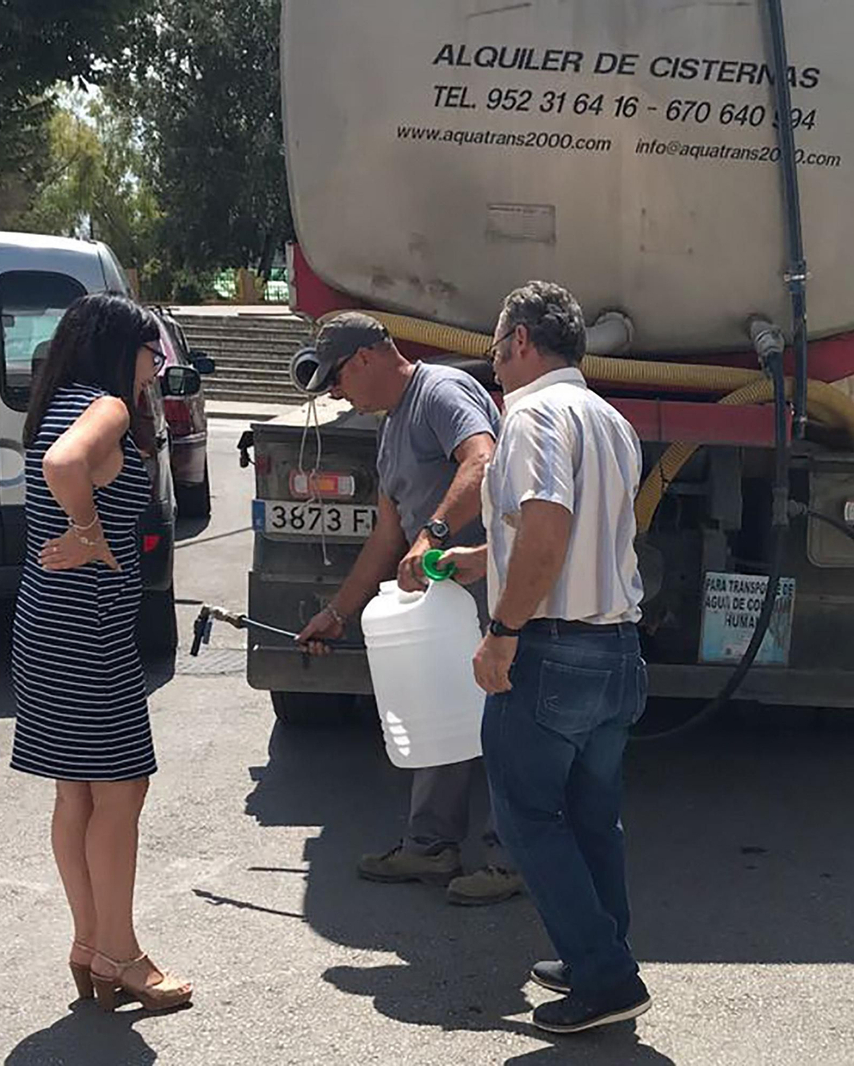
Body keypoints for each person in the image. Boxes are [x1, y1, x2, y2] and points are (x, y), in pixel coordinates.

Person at [440, 281, 650, 1035]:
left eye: (496, 349)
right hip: (616, 650)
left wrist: (502, 631)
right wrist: (474, 560)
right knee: (595, 818)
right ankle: (602, 951)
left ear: (523, 341)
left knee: (527, 817)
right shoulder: (609, 420)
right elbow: (569, 537)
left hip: (552, 653)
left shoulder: (529, 414)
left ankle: (605, 976)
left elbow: (549, 527)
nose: (494, 366)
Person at [295, 312, 523, 906]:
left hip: (484, 593)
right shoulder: (392, 424)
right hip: (441, 608)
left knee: (501, 717)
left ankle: (509, 858)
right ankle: (431, 846)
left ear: (368, 356)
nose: (338, 393)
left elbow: (483, 460)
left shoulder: (440, 392)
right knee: (439, 711)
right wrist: (339, 613)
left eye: (338, 378)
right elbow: (385, 535)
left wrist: (434, 536)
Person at [10, 292, 192, 1012]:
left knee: (77, 792)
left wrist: (84, 528)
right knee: (121, 790)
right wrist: (88, 527)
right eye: (153, 353)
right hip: (87, 632)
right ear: (123, 350)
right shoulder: (107, 408)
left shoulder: (57, 401)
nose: (156, 369)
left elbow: (54, 457)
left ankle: (90, 943)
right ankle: (121, 954)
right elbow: (64, 466)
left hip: (45, 625)